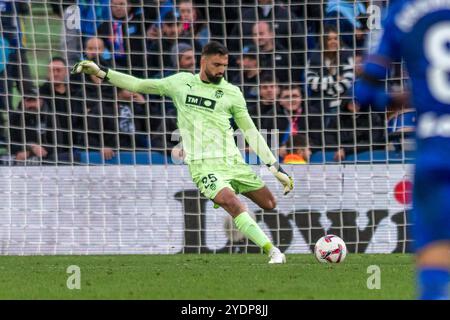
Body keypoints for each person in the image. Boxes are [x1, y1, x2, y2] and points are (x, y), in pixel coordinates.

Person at [72, 41, 293, 264]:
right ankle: (273, 251)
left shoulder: (232, 92)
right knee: (234, 204)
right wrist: (101, 72)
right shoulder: (180, 83)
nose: (221, 70)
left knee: (269, 203)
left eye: (224, 65)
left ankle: (238, 197)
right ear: (203, 61)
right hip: (203, 164)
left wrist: (275, 167)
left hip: (233, 162)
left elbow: (250, 131)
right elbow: (139, 84)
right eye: (216, 64)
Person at [354, 0, 450, 300]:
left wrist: (411, 97)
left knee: (435, 255)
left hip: (435, 151)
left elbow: (363, 94)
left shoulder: (401, 11)